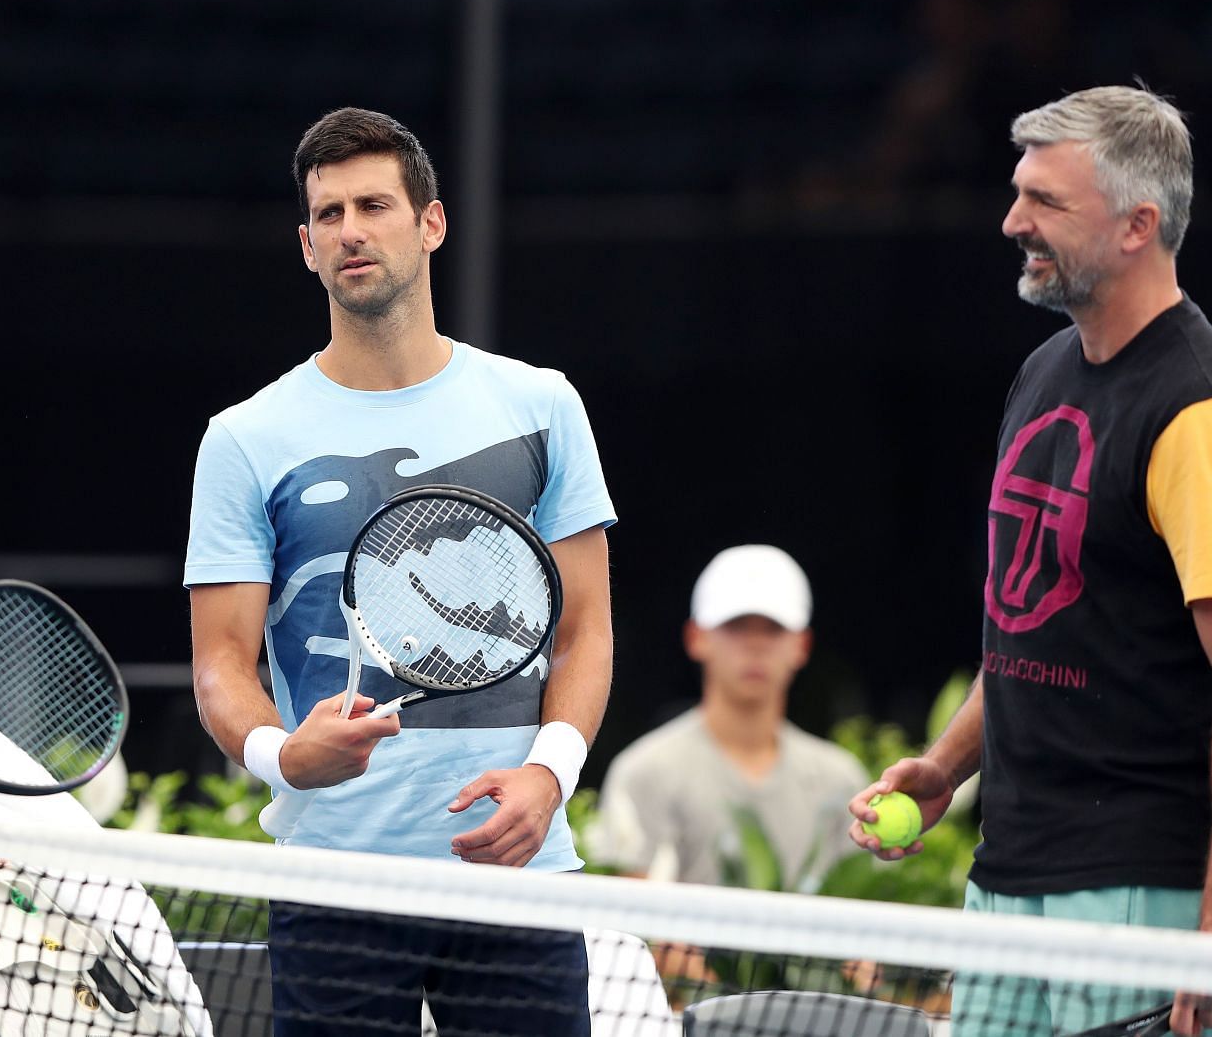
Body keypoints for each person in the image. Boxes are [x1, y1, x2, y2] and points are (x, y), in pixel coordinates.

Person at [848, 86, 1212, 1037]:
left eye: (1046, 202)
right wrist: (944, 767)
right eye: (1020, 194)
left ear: (1139, 225)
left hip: (1149, 895)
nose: (1014, 221)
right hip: (1014, 871)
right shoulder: (1047, 369)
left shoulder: (1206, 416)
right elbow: (1036, 631)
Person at [185, 107, 615, 1034]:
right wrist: (281, 755)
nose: (351, 230)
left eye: (374, 204)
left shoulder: (541, 404)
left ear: (431, 223)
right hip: (335, 882)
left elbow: (584, 630)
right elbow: (222, 665)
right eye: (329, 214)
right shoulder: (244, 438)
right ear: (305, 245)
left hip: (516, 879)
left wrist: (548, 775)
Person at [592, 545, 866, 889]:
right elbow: (632, 920)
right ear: (696, 637)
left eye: (773, 629)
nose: (755, 645)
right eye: (736, 626)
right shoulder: (643, 771)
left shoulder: (842, 780)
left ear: (802, 645)